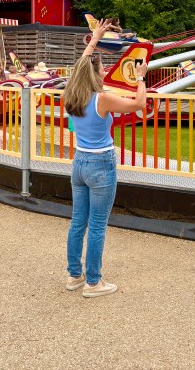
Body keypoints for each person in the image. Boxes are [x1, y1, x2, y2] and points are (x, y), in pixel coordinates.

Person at [63, 18, 148, 298]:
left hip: (80, 164)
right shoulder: (102, 98)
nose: (105, 72)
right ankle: (94, 282)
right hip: (101, 164)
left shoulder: (71, 95)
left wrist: (96, 38)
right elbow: (138, 104)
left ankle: (75, 275)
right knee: (97, 225)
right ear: (97, 74)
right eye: (103, 69)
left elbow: (81, 67)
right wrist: (140, 78)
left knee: (78, 222)